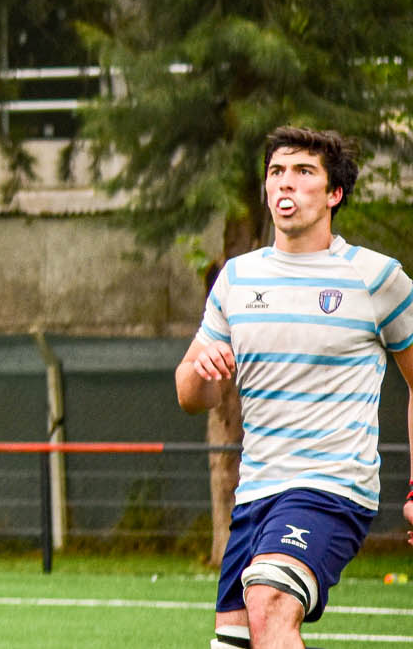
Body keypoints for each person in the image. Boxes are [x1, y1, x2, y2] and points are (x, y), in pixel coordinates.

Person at [175, 126, 413, 649]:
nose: (286, 183)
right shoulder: (237, 279)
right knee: (235, 641)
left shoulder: (377, 278)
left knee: (270, 601)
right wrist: (202, 370)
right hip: (256, 494)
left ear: (334, 194)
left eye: (304, 172)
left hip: (331, 486)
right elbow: (193, 396)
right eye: (276, 171)